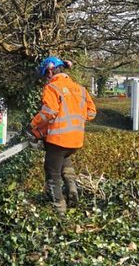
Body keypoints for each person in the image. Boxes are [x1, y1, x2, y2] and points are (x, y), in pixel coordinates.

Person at [29, 56, 97, 213]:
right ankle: (72, 190)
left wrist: (32, 126)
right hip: (76, 140)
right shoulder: (80, 89)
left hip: (58, 141)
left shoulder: (52, 88)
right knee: (65, 161)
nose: (46, 78)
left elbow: (50, 112)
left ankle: (59, 209)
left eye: (46, 74)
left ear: (51, 71)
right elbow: (91, 113)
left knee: (52, 172)